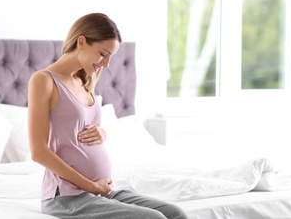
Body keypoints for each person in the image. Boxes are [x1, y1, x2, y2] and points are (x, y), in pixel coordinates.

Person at [28, 13, 187, 219]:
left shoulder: (87, 79)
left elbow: (79, 125)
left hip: (102, 190)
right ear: (82, 42)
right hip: (66, 197)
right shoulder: (43, 80)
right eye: (103, 54)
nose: (106, 64)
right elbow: (38, 151)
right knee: (153, 218)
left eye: (111, 56)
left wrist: (102, 133)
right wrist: (91, 186)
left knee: (175, 213)